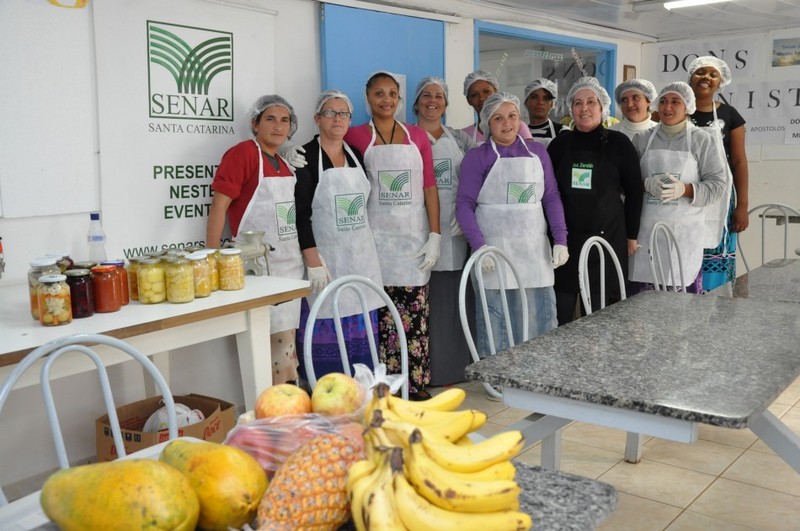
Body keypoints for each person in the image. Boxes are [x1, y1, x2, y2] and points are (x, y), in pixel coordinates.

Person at [344, 71, 441, 401]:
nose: (386, 100)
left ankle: (414, 387)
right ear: (367, 97)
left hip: (413, 243)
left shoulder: (417, 137)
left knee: (414, 320)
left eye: (392, 94)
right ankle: (382, 388)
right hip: (374, 244)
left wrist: (436, 234)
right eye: (378, 94)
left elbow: (430, 186)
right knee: (379, 320)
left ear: (400, 99)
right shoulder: (356, 136)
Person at [456, 92, 567, 363]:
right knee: (497, 320)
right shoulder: (476, 158)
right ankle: (498, 378)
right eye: (498, 118)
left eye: (512, 116)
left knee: (539, 315)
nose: (507, 123)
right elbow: (464, 205)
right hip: (495, 253)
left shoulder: (538, 152)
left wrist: (560, 240)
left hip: (534, 253)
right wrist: (479, 247)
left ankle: (540, 373)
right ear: (486, 124)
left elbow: (551, 197)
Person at [207, 95, 303, 384]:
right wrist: (211, 259)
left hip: (289, 268)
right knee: (270, 350)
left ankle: (288, 410)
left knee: (287, 347)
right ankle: (275, 417)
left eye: (284, 120)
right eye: (270, 119)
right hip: (258, 269)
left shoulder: (283, 163)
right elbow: (219, 207)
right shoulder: (244, 154)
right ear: (255, 123)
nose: (278, 126)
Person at [294, 89, 384, 381]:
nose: (337, 118)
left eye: (343, 113)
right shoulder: (305, 157)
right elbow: (300, 213)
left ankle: (363, 392)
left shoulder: (355, 155)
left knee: (361, 331)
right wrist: (313, 261)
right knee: (326, 325)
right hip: (326, 260)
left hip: (361, 259)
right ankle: (328, 395)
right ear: (317, 118)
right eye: (330, 113)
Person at [547, 77, 643, 325]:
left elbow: (634, 191)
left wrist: (631, 235)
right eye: (578, 103)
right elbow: (547, 193)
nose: (584, 108)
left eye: (591, 102)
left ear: (602, 107)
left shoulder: (619, 143)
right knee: (561, 311)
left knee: (603, 315)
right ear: (571, 109)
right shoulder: (559, 145)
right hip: (565, 242)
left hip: (607, 239)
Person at [629, 82, 726, 292]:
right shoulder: (642, 139)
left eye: (675, 102)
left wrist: (685, 189)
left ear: (688, 106)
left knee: (679, 311)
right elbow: (624, 182)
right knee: (640, 310)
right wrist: (645, 184)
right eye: (663, 101)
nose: (667, 107)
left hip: (684, 237)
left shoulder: (702, 140)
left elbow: (718, 186)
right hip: (646, 236)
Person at [412, 76, 477, 386]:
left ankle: (456, 369)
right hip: (417, 232)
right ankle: (430, 371)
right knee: (427, 302)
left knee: (455, 302)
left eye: (439, 95)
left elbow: (478, 176)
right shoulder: (406, 137)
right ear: (416, 102)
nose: (432, 100)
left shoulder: (460, 140)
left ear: (447, 104)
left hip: (457, 231)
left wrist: (469, 212)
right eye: (426, 95)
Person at [687, 56, 749, 292]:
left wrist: (742, 206)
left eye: (713, 74)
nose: (706, 78)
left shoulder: (730, 115)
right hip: (685, 194)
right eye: (700, 72)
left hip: (721, 199)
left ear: (720, 81)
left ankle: (715, 314)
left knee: (716, 260)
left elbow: (740, 162)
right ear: (690, 78)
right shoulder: (676, 110)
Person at [461, 70, 533, 143]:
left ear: (496, 92)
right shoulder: (464, 135)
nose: (481, 98)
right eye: (474, 95)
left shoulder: (517, 127)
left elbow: (531, 152)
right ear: (468, 100)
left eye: (486, 91)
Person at [523, 78, 565, 146]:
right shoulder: (517, 133)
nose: (540, 102)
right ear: (526, 102)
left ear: (552, 104)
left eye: (546, 98)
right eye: (534, 97)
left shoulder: (562, 131)